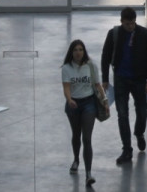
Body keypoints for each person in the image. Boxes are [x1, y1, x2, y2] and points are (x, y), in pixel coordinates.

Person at [101, 7, 147, 164]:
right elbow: (105, 56)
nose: (131, 26)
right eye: (127, 24)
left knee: (142, 112)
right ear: (121, 22)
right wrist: (105, 78)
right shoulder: (114, 34)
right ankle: (127, 149)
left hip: (139, 80)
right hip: (121, 79)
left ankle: (139, 133)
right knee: (122, 114)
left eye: (133, 23)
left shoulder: (144, 34)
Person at [61, 40, 105, 187]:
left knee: (87, 138)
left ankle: (88, 174)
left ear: (84, 51)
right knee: (76, 134)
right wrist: (69, 99)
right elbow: (66, 87)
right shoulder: (66, 68)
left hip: (89, 104)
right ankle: (76, 159)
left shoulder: (91, 66)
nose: (78, 52)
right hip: (73, 104)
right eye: (75, 50)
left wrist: (105, 101)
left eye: (80, 49)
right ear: (71, 52)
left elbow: (98, 85)